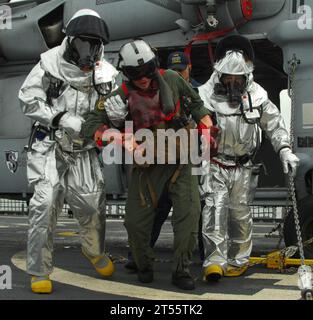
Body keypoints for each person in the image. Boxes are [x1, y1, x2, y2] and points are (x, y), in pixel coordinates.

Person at [82, 39, 213, 290]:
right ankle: (143, 264)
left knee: (189, 216)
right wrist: (117, 133)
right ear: (126, 74)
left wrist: (205, 121)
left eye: (146, 71)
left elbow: (196, 104)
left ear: (154, 66)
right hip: (147, 166)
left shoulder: (173, 79)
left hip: (180, 161)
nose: (142, 78)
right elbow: (91, 125)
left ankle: (181, 270)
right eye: (134, 73)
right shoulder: (119, 96)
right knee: (135, 223)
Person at [18, 9, 118, 294]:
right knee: (45, 204)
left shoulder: (106, 73)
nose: (87, 52)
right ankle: (39, 270)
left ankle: (93, 251)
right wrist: (59, 118)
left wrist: (114, 122)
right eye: (82, 44)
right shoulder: (48, 64)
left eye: (93, 46)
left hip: (84, 148)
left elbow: (113, 107)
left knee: (92, 204)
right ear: (71, 41)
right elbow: (27, 98)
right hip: (49, 143)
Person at [198, 35, 300, 281]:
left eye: (238, 78)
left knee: (240, 215)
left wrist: (284, 149)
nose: (233, 82)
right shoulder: (204, 94)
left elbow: (274, 124)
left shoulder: (257, 94)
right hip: (214, 164)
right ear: (220, 73)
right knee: (214, 212)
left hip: (243, 166)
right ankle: (214, 262)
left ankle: (239, 260)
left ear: (246, 75)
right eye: (228, 77)